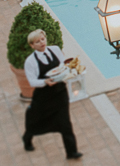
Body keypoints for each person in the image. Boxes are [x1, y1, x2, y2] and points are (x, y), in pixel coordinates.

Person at [22, 30, 81, 160]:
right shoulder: (30, 61)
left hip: (60, 93)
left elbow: (62, 66)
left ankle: (71, 152)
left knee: (65, 123)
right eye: (37, 41)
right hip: (43, 97)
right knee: (35, 121)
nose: (42, 43)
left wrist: (71, 71)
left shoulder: (55, 49)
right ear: (32, 45)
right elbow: (32, 81)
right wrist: (45, 81)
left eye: (43, 39)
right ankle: (27, 137)